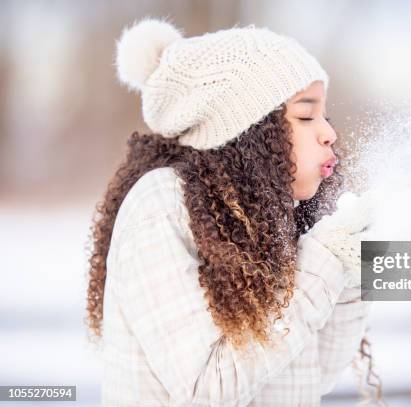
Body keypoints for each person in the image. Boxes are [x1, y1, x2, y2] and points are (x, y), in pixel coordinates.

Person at [85, 17, 382, 406]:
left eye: (324, 115)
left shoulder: (267, 219)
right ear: (249, 132)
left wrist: (351, 276)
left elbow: (308, 378)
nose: (329, 132)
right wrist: (323, 262)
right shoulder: (159, 208)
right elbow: (206, 390)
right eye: (306, 115)